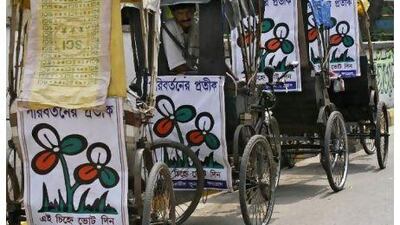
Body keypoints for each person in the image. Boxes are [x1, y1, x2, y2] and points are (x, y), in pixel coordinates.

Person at [162, 4, 199, 74]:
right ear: (173, 13)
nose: (185, 17)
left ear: (194, 10)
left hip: (194, 73)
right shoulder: (169, 27)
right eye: (180, 13)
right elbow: (178, 66)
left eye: (188, 12)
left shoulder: (198, 25)